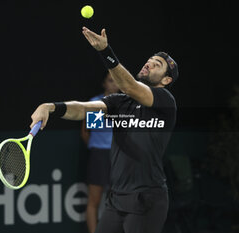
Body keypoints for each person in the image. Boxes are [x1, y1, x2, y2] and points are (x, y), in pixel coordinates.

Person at [30, 26, 178, 233]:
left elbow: (130, 87)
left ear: (166, 80)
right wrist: (51, 107)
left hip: (146, 200)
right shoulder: (120, 103)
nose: (149, 63)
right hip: (116, 200)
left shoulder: (164, 102)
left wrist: (105, 51)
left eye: (157, 64)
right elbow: (82, 110)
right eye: (150, 60)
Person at [80, 73, 119, 233]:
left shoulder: (124, 105)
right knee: (94, 200)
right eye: (110, 80)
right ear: (104, 83)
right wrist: (97, 147)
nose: (114, 85)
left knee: (119, 202)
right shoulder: (95, 103)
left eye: (117, 81)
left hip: (118, 157)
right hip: (99, 156)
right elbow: (85, 132)